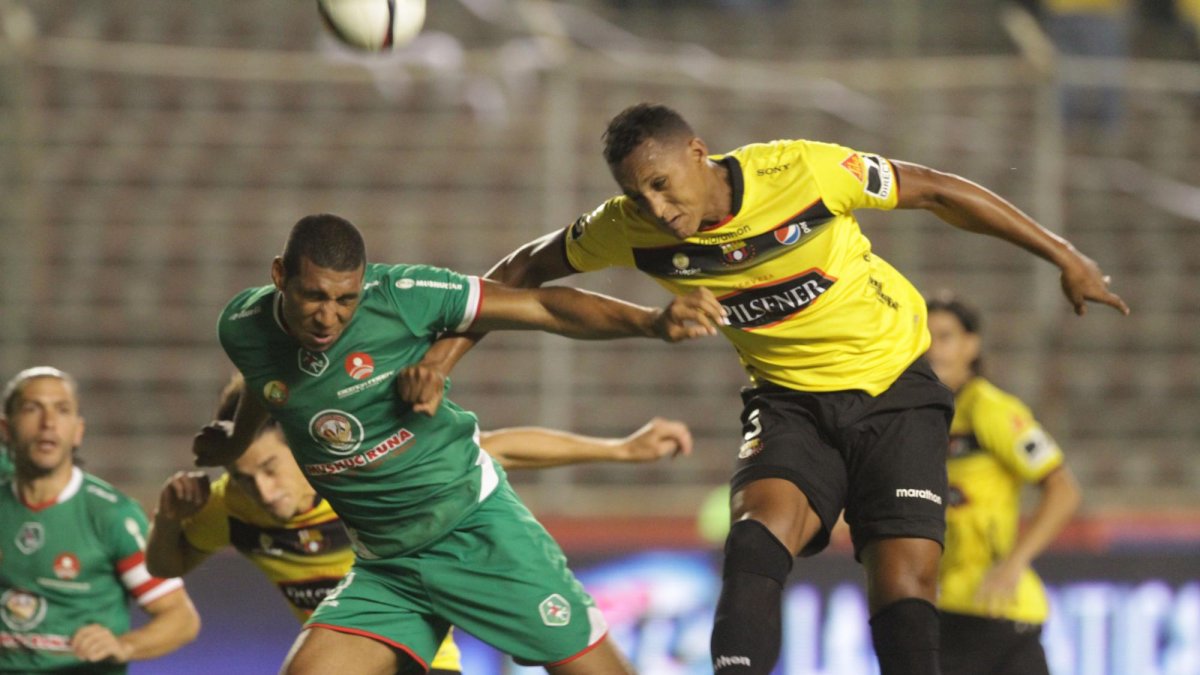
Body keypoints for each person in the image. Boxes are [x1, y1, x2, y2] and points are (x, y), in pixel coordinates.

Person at [410, 103, 1129, 675]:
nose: (656, 207)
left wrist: (1064, 255)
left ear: (698, 151)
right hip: (789, 402)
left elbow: (936, 191)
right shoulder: (627, 229)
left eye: (662, 182)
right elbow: (522, 267)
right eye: (637, 193)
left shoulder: (804, 171)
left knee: (904, 589)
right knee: (755, 542)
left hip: (897, 391)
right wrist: (444, 358)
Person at [191, 213, 723, 675]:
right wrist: (236, 438)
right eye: (314, 297)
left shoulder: (402, 298)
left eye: (345, 299)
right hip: (387, 566)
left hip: (475, 533)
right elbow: (269, 384)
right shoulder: (242, 325)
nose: (329, 317)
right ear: (279, 275)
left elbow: (543, 307)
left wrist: (652, 322)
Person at [149, 374, 693, 674]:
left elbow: (498, 449)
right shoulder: (229, 506)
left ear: (302, 445)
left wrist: (621, 450)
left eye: (269, 468)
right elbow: (165, 566)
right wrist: (169, 521)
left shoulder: (363, 474)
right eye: (244, 478)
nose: (263, 493)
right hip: (358, 646)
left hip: (424, 659)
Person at [0, 367, 201, 674]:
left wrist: (125, 645)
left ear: (78, 430)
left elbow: (181, 618)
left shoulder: (111, 516)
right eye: (32, 408)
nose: (48, 424)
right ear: (6, 428)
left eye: (62, 410)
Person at [926, 294, 1081, 675]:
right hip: (947, 606)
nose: (932, 349)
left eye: (944, 337)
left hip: (992, 608)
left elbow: (1063, 490)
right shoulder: (926, 414)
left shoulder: (991, 410)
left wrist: (1015, 563)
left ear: (971, 345)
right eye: (924, 337)